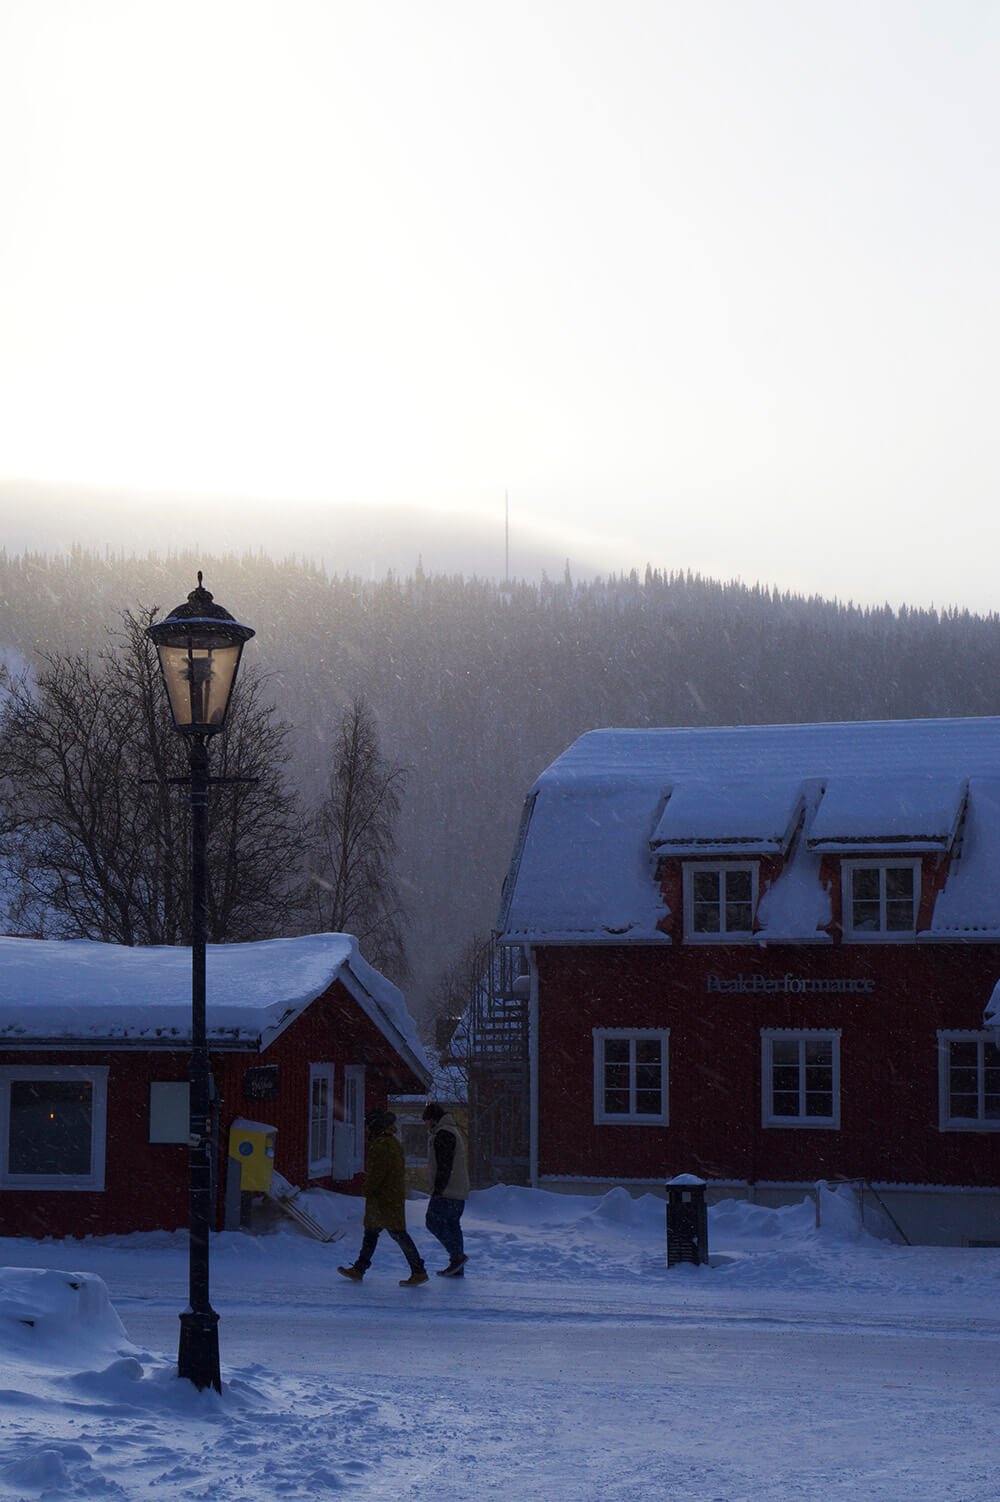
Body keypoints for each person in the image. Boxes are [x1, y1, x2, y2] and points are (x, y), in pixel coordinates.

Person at [337, 1108, 428, 1286]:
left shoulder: (381, 1145)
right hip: (389, 1197)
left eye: (368, 1126)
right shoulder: (391, 1142)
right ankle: (360, 1269)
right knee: (373, 1233)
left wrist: (367, 1189)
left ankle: (418, 1271)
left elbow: (376, 1174)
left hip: (383, 1199)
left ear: (374, 1126)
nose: (366, 1129)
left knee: (396, 1234)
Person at [422, 1102, 470, 1277]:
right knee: (452, 1225)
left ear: (433, 1120)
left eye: (425, 1121)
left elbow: (444, 1165)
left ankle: (457, 1258)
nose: (425, 1125)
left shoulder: (444, 1134)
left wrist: (438, 1189)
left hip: (447, 1190)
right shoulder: (452, 1132)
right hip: (458, 1190)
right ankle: (457, 1267)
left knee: (432, 1221)